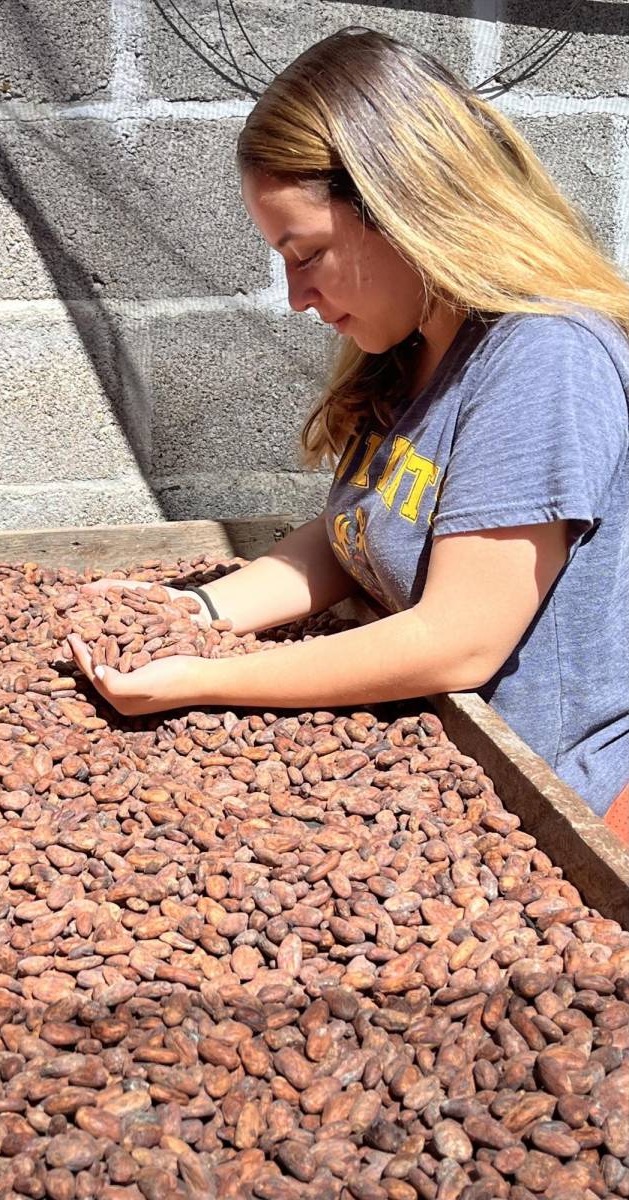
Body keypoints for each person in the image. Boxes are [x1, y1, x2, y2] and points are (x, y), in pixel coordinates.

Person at [68, 27, 629, 843]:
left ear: (407, 207)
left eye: (309, 253)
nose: (295, 295)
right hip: (427, 766)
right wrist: (192, 610)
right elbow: (352, 539)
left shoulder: (543, 354)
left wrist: (207, 676)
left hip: (542, 808)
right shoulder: (409, 347)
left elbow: (459, 640)